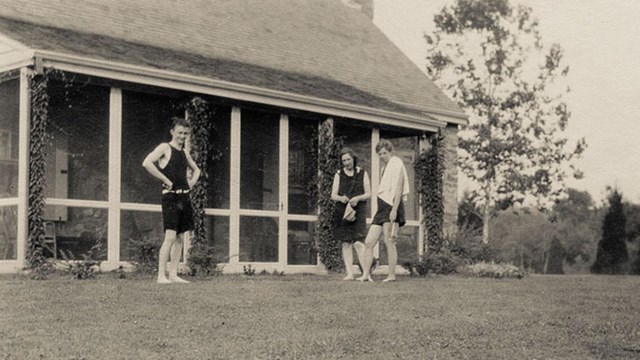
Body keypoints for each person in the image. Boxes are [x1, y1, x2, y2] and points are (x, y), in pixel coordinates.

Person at [142, 117, 201, 284]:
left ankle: (173, 274)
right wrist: (166, 180)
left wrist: (190, 184)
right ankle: (161, 275)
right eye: (180, 132)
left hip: (184, 197)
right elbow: (147, 163)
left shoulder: (184, 152)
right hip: (170, 197)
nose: (182, 136)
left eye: (185, 133)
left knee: (180, 238)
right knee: (170, 236)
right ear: (172, 132)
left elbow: (197, 170)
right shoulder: (165, 148)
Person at [357, 139, 409, 283]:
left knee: (389, 241)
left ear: (390, 152)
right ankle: (366, 274)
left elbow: (398, 188)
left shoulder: (397, 163)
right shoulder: (383, 169)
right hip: (381, 208)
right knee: (369, 242)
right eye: (379, 154)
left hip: (392, 206)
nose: (382, 156)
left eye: (384, 153)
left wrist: (394, 210)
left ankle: (391, 275)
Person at [331, 148, 371, 280]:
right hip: (343, 211)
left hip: (358, 211)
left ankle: (366, 273)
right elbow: (333, 195)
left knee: (359, 242)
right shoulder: (338, 174)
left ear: (353, 159)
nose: (346, 162)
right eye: (343, 160)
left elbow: (369, 194)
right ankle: (350, 273)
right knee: (346, 243)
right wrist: (341, 199)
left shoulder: (362, 173)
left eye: (348, 159)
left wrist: (358, 198)